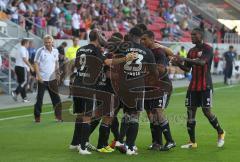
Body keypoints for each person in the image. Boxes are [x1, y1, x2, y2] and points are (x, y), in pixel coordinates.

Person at [70, 30, 137, 155]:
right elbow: (107, 66)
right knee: (93, 117)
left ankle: (76, 142)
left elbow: (77, 64)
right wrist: (126, 59)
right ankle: (87, 146)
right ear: (97, 38)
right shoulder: (98, 51)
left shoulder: (80, 49)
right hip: (93, 87)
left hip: (78, 84)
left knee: (82, 116)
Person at [173, 28, 225, 149]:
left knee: (206, 111)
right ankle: (192, 142)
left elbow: (202, 63)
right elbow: (187, 69)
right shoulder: (191, 51)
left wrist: (183, 59)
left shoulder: (208, 49)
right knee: (190, 112)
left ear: (201, 36)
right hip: (193, 87)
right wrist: (178, 64)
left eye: (194, 35)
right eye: (191, 35)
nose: (191, 37)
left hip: (205, 85)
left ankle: (221, 132)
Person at [141, 30, 176, 151]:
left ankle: (170, 141)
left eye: (144, 39)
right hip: (149, 87)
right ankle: (156, 142)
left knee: (158, 111)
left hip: (161, 87)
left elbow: (161, 70)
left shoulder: (159, 51)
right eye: (141, 39)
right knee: (151, 114)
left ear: (152, 39)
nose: (142, 41)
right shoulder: (145, 52)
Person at [34, 35, 62, 123]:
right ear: (44, 42)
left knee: (56, 98)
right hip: (42, 79)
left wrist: (57, 73)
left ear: (52, 42)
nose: (48, 44)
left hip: (52, 79)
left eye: (49, 42)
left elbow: (56, 62)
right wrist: (38, 76)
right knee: (39, 99)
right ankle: (37, 117)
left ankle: (58, 116)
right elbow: (35, 64)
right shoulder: (40, 51)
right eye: (46, 42)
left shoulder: (55, 51)